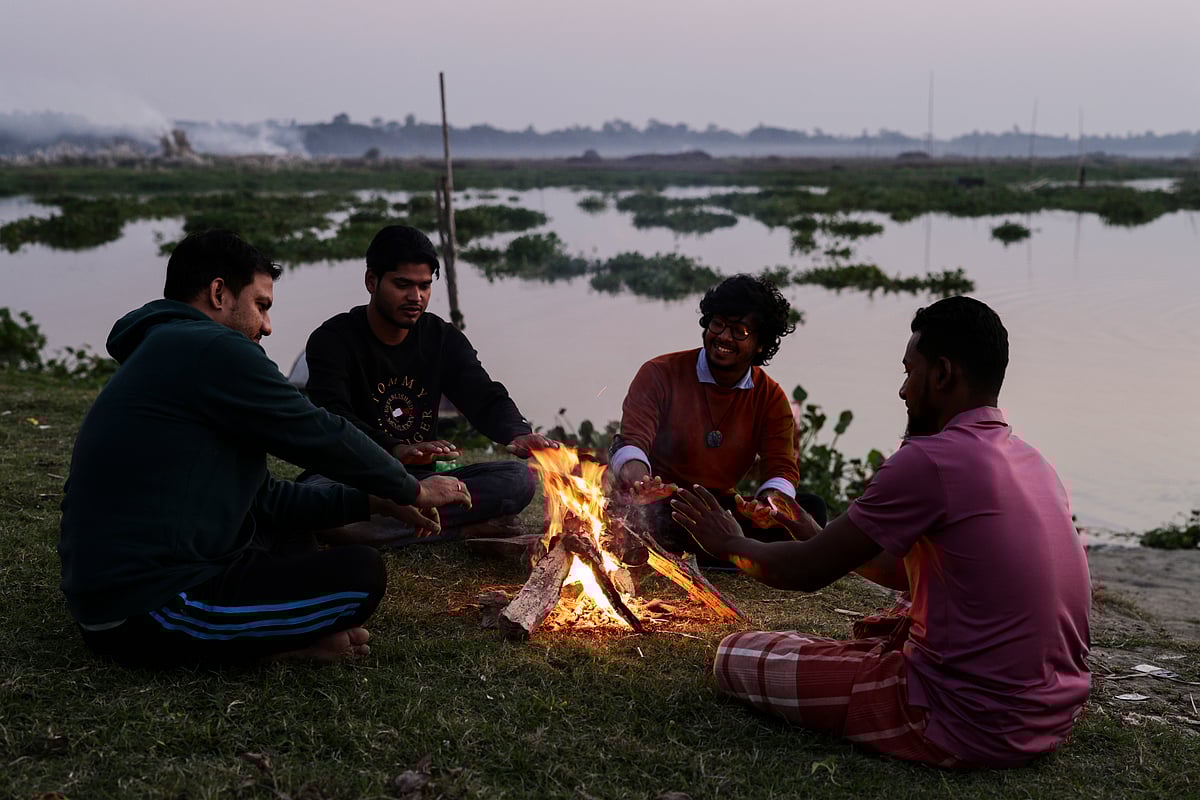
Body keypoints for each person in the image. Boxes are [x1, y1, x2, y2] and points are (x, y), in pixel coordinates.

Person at [671, 296, 1091, 768]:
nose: (903, 391)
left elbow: (809, 574)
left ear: (942, 374)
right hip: (1050, 717)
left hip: (962, 722)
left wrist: (726, 542)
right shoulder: (1034, 461)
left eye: (910, 371)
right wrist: (809, 528)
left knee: (734, 654)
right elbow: (907, 571)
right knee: (897, 616)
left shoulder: (931, 459)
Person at [58, 230, 471, 669]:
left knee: (291, 530)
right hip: (145, 605)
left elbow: (265, 499)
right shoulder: (211, 346)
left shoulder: (171, 346)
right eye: (261, 306)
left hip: (127, 587)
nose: (268, 326)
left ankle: (279, 630)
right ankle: (280, 646)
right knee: (359, 576)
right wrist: (412, 489)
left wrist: (377, 501)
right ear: (219, 292)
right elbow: (317, 430)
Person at [301, 224, 553, 545]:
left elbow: (484, 396)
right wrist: (395, 448)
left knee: (518, 480)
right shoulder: (332, 340)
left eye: (424, 286)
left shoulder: (441, 337)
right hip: (351, 476)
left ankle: (396, 526)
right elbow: (333, 417)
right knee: (316, 500)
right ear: (371, 281)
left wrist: (518, 432)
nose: (415, 297)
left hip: (424, 483)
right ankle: (458, 529)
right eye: (402, 285)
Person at [609, 274, 825, 552]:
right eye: (718, 324)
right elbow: (632, 443)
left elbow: (781, 468)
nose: (723, 337)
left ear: (761, 344)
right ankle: (727, 551)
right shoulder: (660, 373)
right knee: (656, 519)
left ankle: (723, 549)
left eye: (740, 331)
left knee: (810, 508)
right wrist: (641, 482)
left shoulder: (770, 397)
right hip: (664, 503)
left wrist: (767, 505)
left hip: (720, 510)